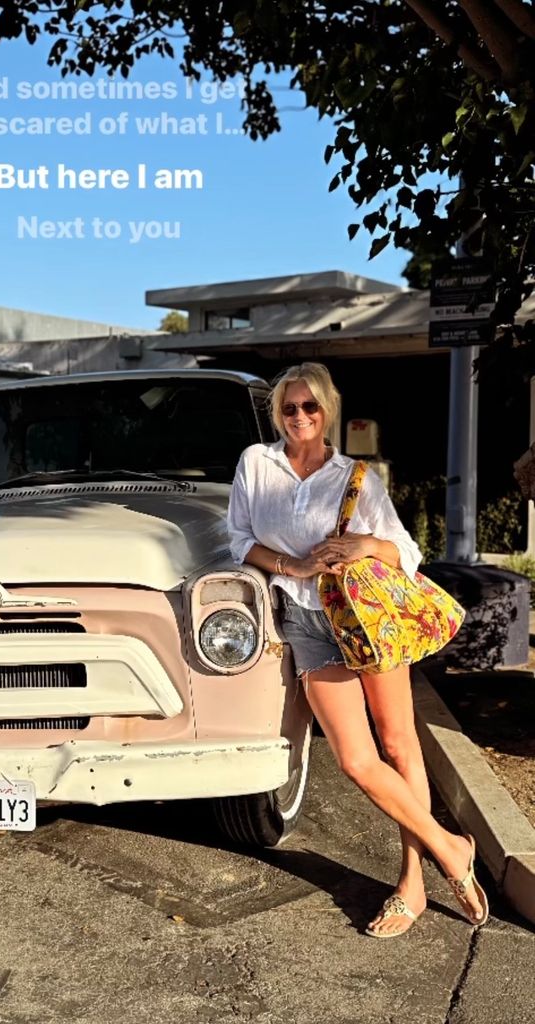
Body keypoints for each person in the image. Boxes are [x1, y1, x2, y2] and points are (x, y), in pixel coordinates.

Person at [226, 362, 489, 938]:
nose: (299, 417)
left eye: (309, 408)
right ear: (278, 413)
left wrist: (367, 542)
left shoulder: (355, 477)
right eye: (289, 408)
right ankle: (451, 848)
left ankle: (412, 883)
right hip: (305, 621)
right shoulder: (256, 463)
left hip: (365, 621)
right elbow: (239, 540)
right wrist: (291, 565)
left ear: (328, 411)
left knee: (398, 744)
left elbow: (407, 554)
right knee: (354, 760)